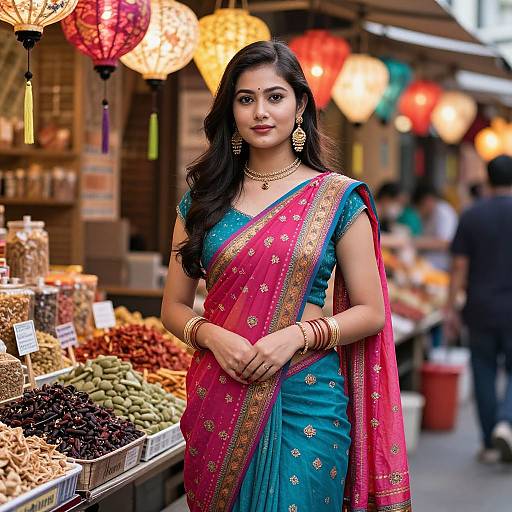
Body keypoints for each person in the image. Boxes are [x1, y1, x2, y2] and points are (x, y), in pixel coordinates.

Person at [161, 41, 410, 512]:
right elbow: (173, 307)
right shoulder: (202, 202)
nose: (260, 111)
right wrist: (212, 336)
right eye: (245, 98)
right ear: (230, 110)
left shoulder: (337, 199)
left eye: (275, 97)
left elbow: (372, 311)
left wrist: (296, 336)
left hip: (307, 396)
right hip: (220, 392)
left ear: (300, 106)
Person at [446, 154, 512, 465]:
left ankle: (489, 442)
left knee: (484, 370)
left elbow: (459, 266)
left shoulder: (472, 215)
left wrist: (450, 308)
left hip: (480, 307)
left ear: (487, 178)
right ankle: (507, 422)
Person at [412, 183, 458, 271]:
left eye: (420, 206)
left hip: (443, 266)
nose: (419, 211)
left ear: (428, 200)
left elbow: (444, 242)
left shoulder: (443, 212)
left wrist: (415, 242)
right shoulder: (427, 216)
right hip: (429, 263)